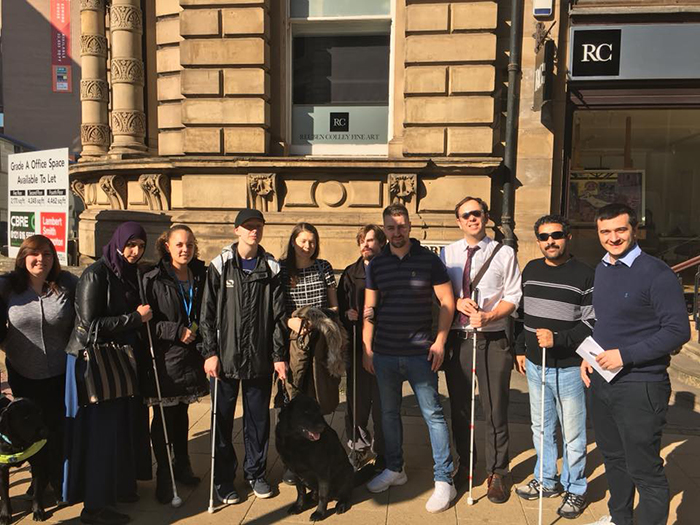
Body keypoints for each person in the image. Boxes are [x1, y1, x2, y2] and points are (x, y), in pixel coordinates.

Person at [582, 203, 690, 525]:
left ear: (635, 230)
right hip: (603, 380)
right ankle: (619, 520)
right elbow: (607, 323)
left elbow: (677, 331)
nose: (613, 238)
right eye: (605, 231)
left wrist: (624, 355)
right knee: (614, 459)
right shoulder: (602, 268)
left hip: (641, 385)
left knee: (644, 469)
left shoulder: (657, 273)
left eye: (620, 230)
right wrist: (588, 358)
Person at [363, 203, 457, 514]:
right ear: (383, 229)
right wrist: (367, 349)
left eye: (401, 225)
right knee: (389, 414)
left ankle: (444, 479)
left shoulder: (429, 260)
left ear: (410, 226)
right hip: (386, 353)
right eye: (390, 227)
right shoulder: (375, 265)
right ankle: (395, 468)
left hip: (420, 353)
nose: (396, 231)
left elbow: (446, 301)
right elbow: (370, 310)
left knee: (433, 415)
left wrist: (440, 341)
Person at [64, 222, 153, 525]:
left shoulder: (128, 273)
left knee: (121, 430)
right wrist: (135, 318)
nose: (135, 251)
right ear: (117, 242)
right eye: (130, 244)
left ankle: (117, 489)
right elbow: (90, 327)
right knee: (101, 435)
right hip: (94, 364)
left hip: (118, 362)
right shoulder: (95, 274)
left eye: (140, 245)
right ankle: (94, 508)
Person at [199, 209, 287, 504]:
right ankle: (224, 480)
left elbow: (278, 317)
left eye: (258, 227)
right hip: (224, 359)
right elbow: (207, 315)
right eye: (248, 227)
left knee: (258, 421)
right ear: (236, 230)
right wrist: (210, 352)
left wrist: (278, 355)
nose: (254, 231)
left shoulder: (272, 267)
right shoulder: (220, 265)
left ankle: (256, 473)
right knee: (222, 422)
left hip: (259, 359)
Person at [440, 196, 521, 503]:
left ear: (487, 217)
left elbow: (514, 295)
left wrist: (490, 315)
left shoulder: (504, 253)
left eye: (477, 213)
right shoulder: (447, 254)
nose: (472, 219)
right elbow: (440, 293)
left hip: (493, 338)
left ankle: (498, 471)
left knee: (495, 408)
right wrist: (457, 302)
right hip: (459, 338)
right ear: (458, 221)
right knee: (460, 407)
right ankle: (466, 464)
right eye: (466, 215)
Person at [514, 215, 594, 519]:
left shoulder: (586, 274)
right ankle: (546, 479)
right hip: (535, 365)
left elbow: (592, 322)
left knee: (573, 433)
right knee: (541, 427)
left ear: (567, 237)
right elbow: (522, 316)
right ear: (538, 241)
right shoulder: (531, 270)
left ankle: (576, 488)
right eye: (544, 237)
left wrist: (560, 338)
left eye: (557, 235)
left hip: (569, 367)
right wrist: (521, 349)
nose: (551, 241)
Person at [0, 235, 78, 499]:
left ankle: (56, 478)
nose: (41, 259)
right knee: (30, 430)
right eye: (35, 254)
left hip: (61, 372)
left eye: (47, 254)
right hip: (23, 373)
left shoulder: (65, 284)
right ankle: (37, 480)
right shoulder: (8, 288)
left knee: (57, 427)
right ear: (23, 257)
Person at [142, 225, 209, 504]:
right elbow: (146, 322)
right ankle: (165, 476)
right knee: (163, 421)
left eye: (190, 245)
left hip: (191, 357)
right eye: (180, 244)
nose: (185, 250)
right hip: (166, 358)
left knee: (181, 415)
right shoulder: (153, 278)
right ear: (167, 246)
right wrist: (175, 330)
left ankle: (182, 465)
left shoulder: (201, 275)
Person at [278, 222, 341, 484]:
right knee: (294, 397)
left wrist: (322, 320)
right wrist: (291, 321)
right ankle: (293, 464)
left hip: (321, 339)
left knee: (319, 398)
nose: (308, 246)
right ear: (293, 242)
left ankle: (320, 456)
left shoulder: (323, 266)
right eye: (303, 240)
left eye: (312, 241)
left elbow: (334, 305)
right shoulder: (281, 269)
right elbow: (277, 309)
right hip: (294, 341)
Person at [337, 225, 386, 468]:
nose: (365, 245)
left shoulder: (389, 270)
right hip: (356, 347)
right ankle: (357, 446)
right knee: (356, 401)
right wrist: (347, 314)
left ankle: (382, 450)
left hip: (384, 346)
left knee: (382, 402)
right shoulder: (349, 274)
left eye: (370, 240)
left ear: (381, 243)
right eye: (361, 241)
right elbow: (339, 309)